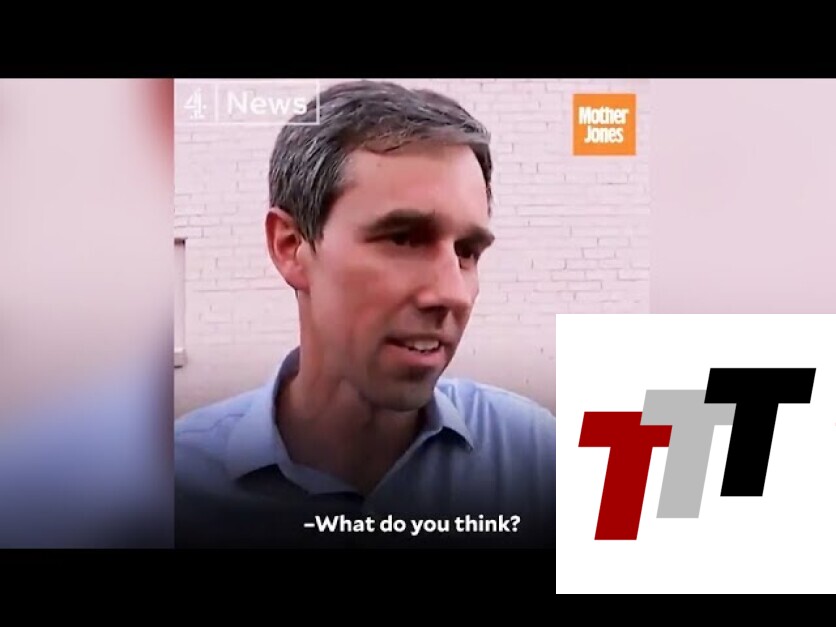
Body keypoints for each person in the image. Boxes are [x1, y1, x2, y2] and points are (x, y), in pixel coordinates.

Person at [174, 80, 556, 549]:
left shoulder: (538, 462)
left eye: (467, 252)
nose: (452, 294)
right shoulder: (170, 488)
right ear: (291, 247)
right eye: (403, 239)